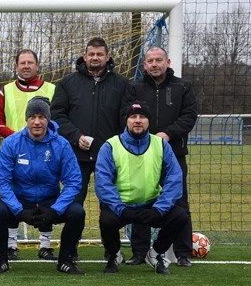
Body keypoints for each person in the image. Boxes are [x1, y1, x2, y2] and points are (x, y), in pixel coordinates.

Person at [0, 97, 85, 275]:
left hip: (50, 201)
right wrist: (18, 210)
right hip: (20, 201)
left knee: (77, 212)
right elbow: (1, 180)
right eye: (32, 117)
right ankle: (1, 260)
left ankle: (65, 260)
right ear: (27, 119)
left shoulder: (61, 145)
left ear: (48, 119)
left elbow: (73, 182)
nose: (37, 122)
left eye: (42, 117)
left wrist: (56, 210)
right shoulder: (12, 143)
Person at [95, 101, 188, 275]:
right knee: (106, 220)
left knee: (180, 216)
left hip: (151, 205)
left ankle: (154, 254)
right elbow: (102, 183)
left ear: (148, 121)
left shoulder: (160, 144)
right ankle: (114, 255)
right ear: (126, 121)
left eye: (142, 116)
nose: (138, 120)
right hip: (122, 206)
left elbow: (175, 178)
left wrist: (159, 209)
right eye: (133, 117)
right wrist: (121, 209)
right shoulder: (110, 145)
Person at [126, 46, 198, 267]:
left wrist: (168, 134)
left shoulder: (182, 86)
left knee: (179, 201)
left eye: (159, 60)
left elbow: (189, 115)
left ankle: (183, 252)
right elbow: (127, 115)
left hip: (174, 153)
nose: (154, 64)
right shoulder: (135, 87)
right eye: (150, 61)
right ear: (145, 65)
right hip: (141, 154)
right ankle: (139, 252)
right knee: (141, 200)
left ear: (167, 62)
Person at [0, 49, 57, 261]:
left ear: (37, 65)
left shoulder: (52, 89)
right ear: (16, 66)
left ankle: (45, 245)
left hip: (45, 148)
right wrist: (17, 139)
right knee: (14, 191)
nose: (26, 66)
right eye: (22, 62)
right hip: (14, 151)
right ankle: (11, 245)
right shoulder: (5, 90)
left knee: (45, 190)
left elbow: (59, 119)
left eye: (30, 62)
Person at [51, 37, 130, 206]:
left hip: (110, 155)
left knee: (111, 205)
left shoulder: (122, 84)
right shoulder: (67, 83)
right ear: (84, 56)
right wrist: (76, 136)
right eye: (92, 54)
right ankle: (74, 234)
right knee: (73, 205)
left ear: (107, 57)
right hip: (76, 155)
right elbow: (57, 115)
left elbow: (127, 118)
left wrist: (118, 144)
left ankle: (110, 234)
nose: (95, 57)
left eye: (99, 54)